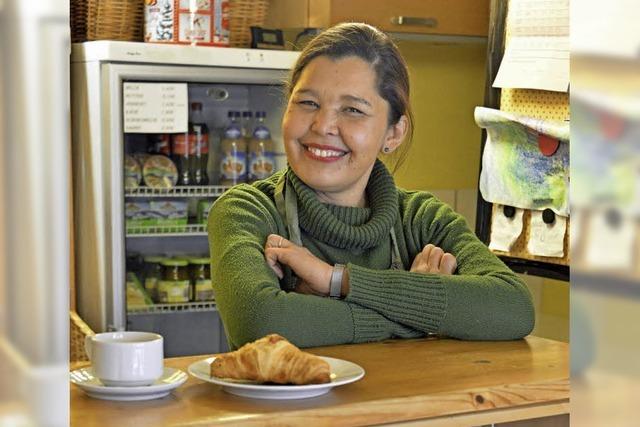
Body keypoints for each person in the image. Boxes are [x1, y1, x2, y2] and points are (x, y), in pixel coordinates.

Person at [208, 22, 534, 350]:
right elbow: (260, 322)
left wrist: (335, 280)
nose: (322, 126)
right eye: (307, 103)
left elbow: (512, 307)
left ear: (393, 133)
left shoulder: (422, 220)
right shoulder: (247, 211)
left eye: (352, 110)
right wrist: (418, 311)